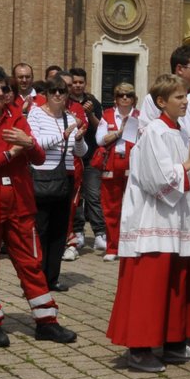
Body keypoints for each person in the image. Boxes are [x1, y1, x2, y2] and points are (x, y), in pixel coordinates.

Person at [0, 65, 77, 347]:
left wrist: (29, 143)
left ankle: (47, 322)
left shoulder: (16, 118)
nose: (1, 93)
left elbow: (36, 158)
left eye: (5, 88)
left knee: (32, 264)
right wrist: (10, 153)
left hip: (20, 205)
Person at [106, 74, 190, 373]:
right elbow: (159, 181)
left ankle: (172, 340)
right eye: (179, 97)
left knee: (175, 283)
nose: (185, 102)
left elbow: (185, 176)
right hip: (152, 220)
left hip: (175, 220)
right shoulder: (154, 131)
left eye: (185, 96)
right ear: (161, 102)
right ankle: (140, 348)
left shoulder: (180, 131)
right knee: (150, 286)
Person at [28, 76, 86, 294]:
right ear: (47, 93)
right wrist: (64, 135)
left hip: (65, 177)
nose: (58, 95)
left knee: (59, 230)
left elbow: (80, 153)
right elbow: (36, 143)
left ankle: (52, 277)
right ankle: (36, 280)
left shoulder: (69, 117)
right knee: (40, 230)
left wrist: (79, 139)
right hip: (42, 176)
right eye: (54, 91)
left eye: (62, 91)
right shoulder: (36, 113)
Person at [93, 83, 138, 261]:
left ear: (134, 98)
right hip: (112, 164)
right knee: (111, 208)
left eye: (129, 95)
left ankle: (131, 246)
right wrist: (120, 132)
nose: (125, 98)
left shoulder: (140, 117)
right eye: (121, 95)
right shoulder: (107, 115)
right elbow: (99, 140)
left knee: (134, 208)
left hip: (133, 165)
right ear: (115, 98)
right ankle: (112, 247)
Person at [66, 67, 105, 253]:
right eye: (74, 82)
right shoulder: (65, 102)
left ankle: (99, 233)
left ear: (85, 83)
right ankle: (78, 231)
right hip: (72, 156)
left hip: (91, 157)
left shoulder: (93, 102)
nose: (78, 85)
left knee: (93, 195)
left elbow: (101, 128)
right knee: (76, 197)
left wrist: (90, 114)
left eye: (81, 82)